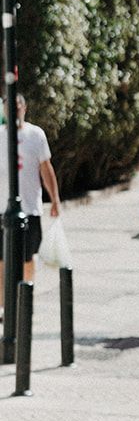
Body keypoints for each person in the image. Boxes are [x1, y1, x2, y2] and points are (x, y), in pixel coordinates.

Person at [0, 93, 62, 287]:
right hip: (2, 209)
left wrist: (55, 200)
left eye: (17, 105)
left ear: (24, 108)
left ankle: (25, 304)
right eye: (8, 105)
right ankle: (2, 308)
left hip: (30, 208)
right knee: (2, 261)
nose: (13, 109)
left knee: (27, 259)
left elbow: (46, 168)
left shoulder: (36, 134)